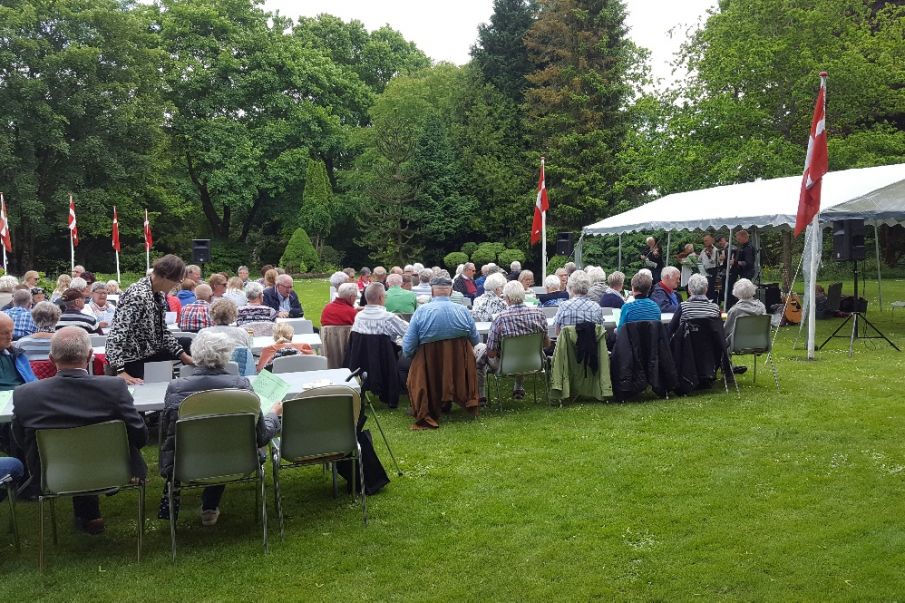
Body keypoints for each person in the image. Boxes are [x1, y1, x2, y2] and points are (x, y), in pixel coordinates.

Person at [12, 327, 147, 534]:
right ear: (91, 356)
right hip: (115, 470)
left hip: (54, 473)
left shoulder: (25, 395)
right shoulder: (114, 388)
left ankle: (88, 515)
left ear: (50, 359)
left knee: (74, 448)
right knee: (87, 446)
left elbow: (21, 439)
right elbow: (139, 434)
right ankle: (89, 515)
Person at [158, 330, 281, 525]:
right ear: (227, 355)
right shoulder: (241, 386)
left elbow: (167, 433)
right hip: (236, 458)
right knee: (223, 436)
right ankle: (209, 504)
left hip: (188, 460)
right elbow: (262, 437)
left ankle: (209, 504)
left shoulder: (176, 387)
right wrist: (274, 415)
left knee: (215, 436)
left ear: (195, 353)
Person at [105, 254, 194, 384]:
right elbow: (116, 335)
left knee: (188, 343)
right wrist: (120, 371)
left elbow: (163, 332)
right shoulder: (137, 295)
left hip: (149, 350)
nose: (177, 286)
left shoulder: (159, 295)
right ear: (165, 276)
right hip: (131, 358)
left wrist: (183, 356)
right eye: (178, 281)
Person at [475, 280, 549, 402]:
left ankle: (481, 395)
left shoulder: (500, 318)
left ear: (507, 298)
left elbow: (491, 353)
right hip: (533, 362)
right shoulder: (539, 314)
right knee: (523, 349)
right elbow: (546, 344)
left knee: (480, 351)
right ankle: (518, 388)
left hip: (505, 365)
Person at [402, 275, 479, 359]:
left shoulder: (421, 311)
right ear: (451, 292)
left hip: (428, 364)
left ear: (432, 292)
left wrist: (413, 358)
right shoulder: (464, 311)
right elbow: (475, 340)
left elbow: (408, 347)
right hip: (459, 365)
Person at [553, 270, 604, 335]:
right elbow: (600, 332)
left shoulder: (563, 306)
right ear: (588, 285)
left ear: (571, 286)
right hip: (590, 344)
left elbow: (557, 331)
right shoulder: (596, 307)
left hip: (568, 344)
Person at [724, 278, 766, 348]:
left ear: (736, 292)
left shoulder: (735, 310)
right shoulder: (761, 306)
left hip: (738, 344)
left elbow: (725, 331)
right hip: (760, 343)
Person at [0, 313, 37, 389]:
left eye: (11, 331)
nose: (10, 337)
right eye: (5, 333)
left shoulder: (17, 355)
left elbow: (33, 382)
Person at [699, 234, 720, 301]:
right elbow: (699, 259)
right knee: (705, 286)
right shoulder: (703, 250)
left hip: (712, 270)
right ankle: (705, 300)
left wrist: (709, 256)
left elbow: (713, 261)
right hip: (704, 270)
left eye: (707, 241)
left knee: (710, 287)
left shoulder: (715, 250)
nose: (705, 242)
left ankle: (712, 301)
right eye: (704, 241)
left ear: (711, 240)